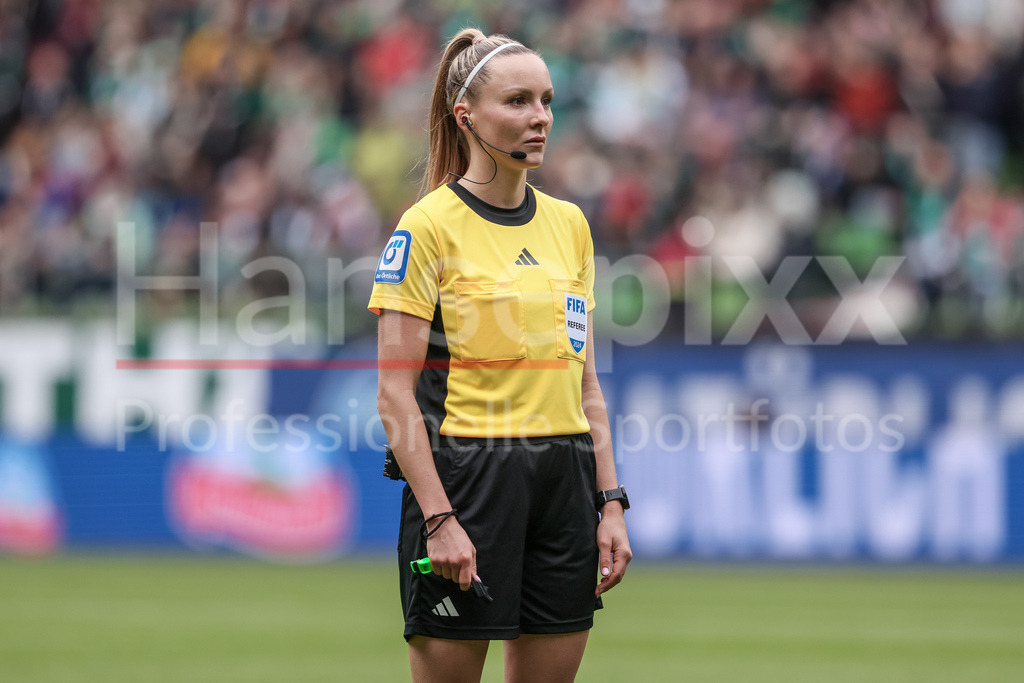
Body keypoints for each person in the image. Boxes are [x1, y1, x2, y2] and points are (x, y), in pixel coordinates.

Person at [369, 28, 631, 683]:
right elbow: (394, 394)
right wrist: (439, 519)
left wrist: (610, 502)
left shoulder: (569, 224)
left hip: (563, 478)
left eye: (546, 100)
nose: (539, 116)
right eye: (517, 101)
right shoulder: (425, 227)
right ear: (466, 116)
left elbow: (586, 384)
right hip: (467, 479)